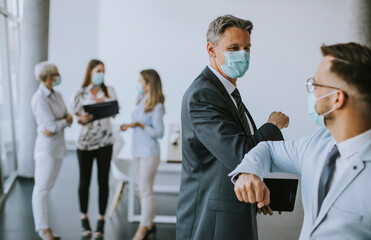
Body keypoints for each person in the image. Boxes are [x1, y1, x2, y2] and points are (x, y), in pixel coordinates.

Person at [230, 42, 371, 240]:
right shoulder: (319, 142)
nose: (311, 91)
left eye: (316, 84)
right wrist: (249, 172)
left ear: (337, 99)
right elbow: (268, 149)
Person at [176, 15, 290, 240]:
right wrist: (272, 126)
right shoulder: (203, 94)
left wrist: (256, 189)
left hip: (231, 212)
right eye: (234, 47)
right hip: (212, 222)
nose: (243, 54)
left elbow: (228, 158)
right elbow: (241, 153)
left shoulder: (227, 93)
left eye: (247, 48)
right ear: (211, 49)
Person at [71, 59, 118, 238]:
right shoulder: (79, 93)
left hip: (105, 142)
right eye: (98, 70)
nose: (101, 74)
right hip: (85, 144)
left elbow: (114, 111)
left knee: (103, 181)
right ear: (90, 72)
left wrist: (106, 106)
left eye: (103, 71)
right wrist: (80, 119)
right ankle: (84, 218)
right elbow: (75, 116)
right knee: (84, 181)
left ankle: (101, 220)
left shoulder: (109, 90)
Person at [120, 69, 165, 240]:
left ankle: (143, 227)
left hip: (149, 153)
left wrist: (139, 125)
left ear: (148, 84)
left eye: (140, 81)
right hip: (137, 151)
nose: (138, 84)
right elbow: (138, 123)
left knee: (145, 190)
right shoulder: (141, 100)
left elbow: (159, 133)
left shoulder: (157, 106)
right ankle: (150, 223)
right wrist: (132, 125)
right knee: (141, 189)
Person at [31, 61, 73, 240]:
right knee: (41, 189)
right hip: (46, 150)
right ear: (49, 77)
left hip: (57, 147)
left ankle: (45, 227)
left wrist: (60, 123)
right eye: (56, 74)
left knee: (48, 187)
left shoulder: (58, 95)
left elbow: (66, 117)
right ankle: (43, 229)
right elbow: (50, 126)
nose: (58, 77)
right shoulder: (38, 98)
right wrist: (62, 122)